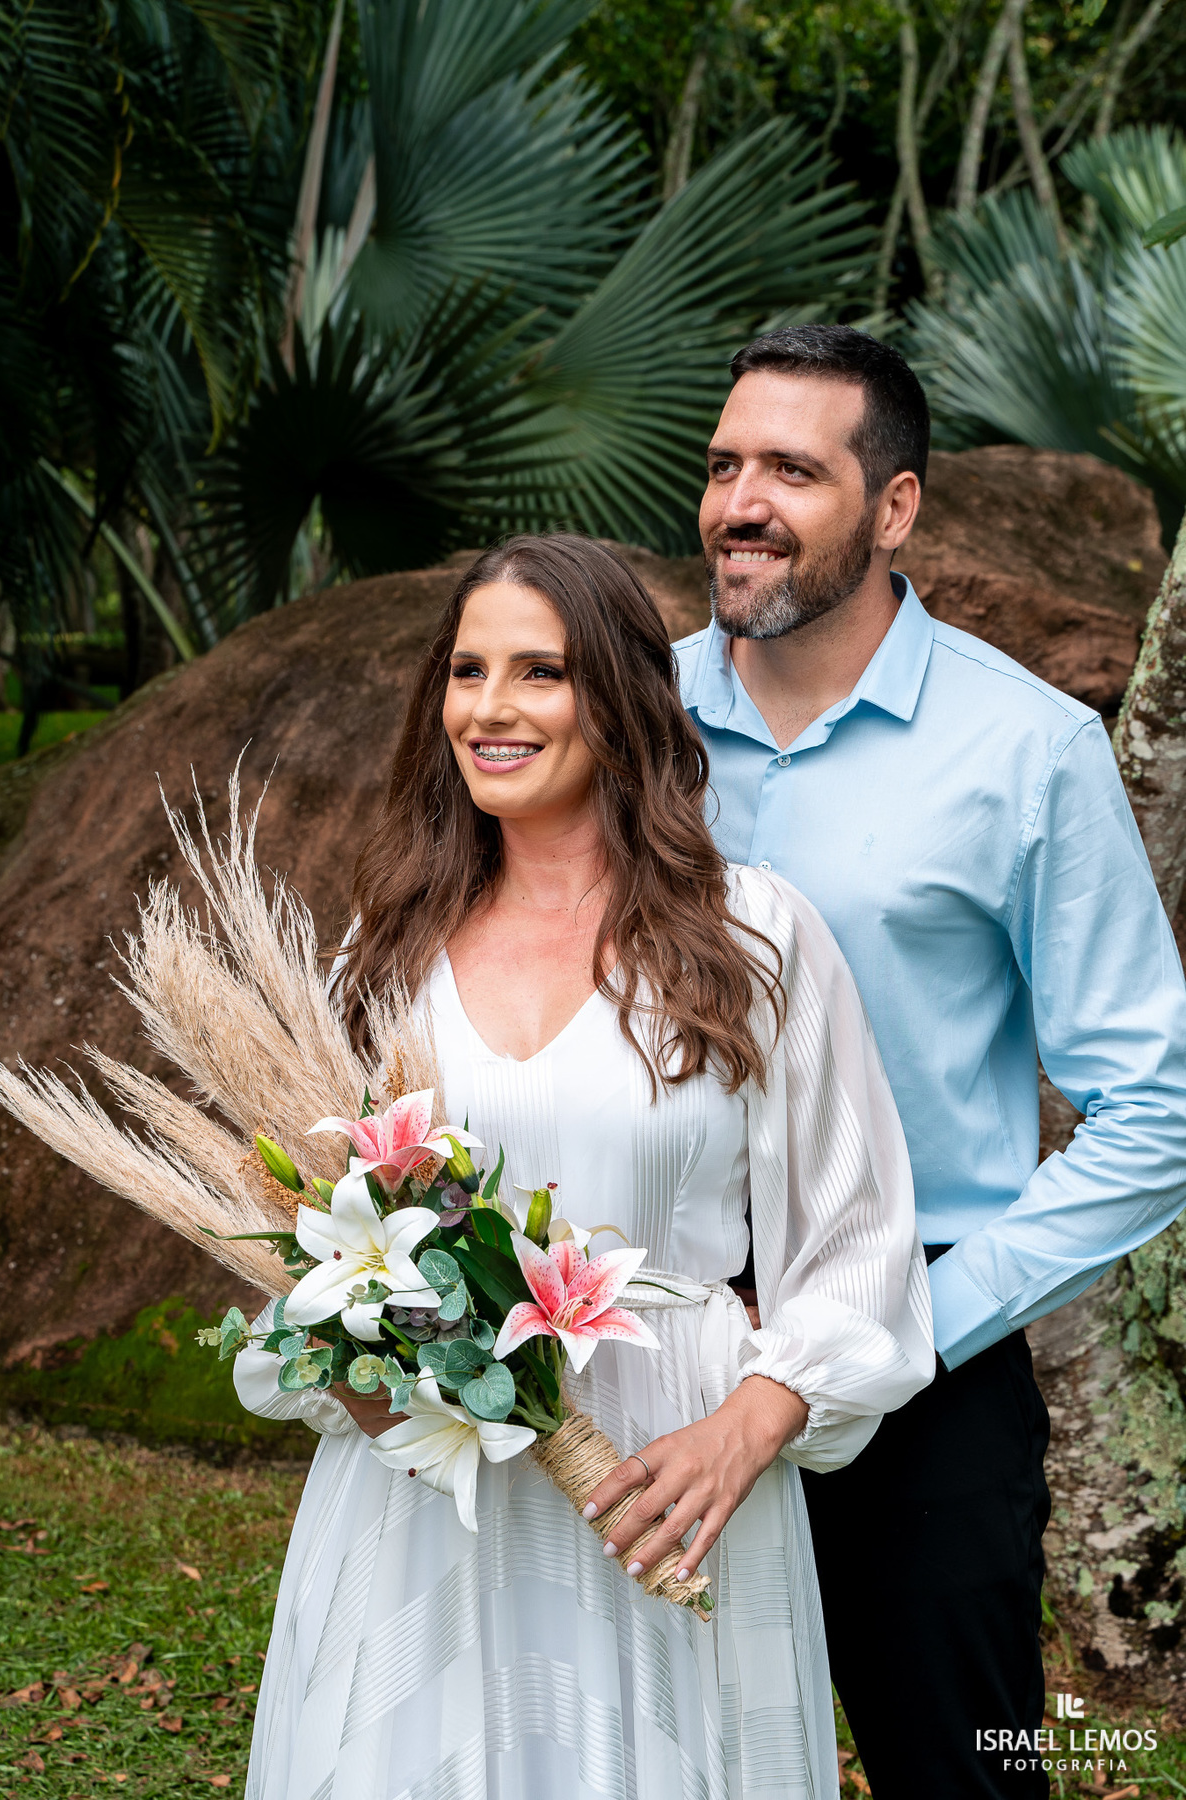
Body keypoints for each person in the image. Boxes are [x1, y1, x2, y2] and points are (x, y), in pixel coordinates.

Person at [231, 533, 933, 1800]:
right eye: (466, 671)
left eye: (540, 673)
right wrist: (368, 1378)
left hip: (674, 1478)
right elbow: (312, 1249)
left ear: (619, 696)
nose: (491, 709)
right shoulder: (384, 958)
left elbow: (858, 1240)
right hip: (428, 1504)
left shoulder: (751, 936)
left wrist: (749, 1428)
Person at [675, 322, 1186, 1800]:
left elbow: (1154, 1111)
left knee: (965, 1769)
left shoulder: (1026, 751)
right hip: (656, 1348)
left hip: (926, 1363)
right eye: (722, 465)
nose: (737, 502)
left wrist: (917, 1324)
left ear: (895, 507)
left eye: (789, 468)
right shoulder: (626, 720)